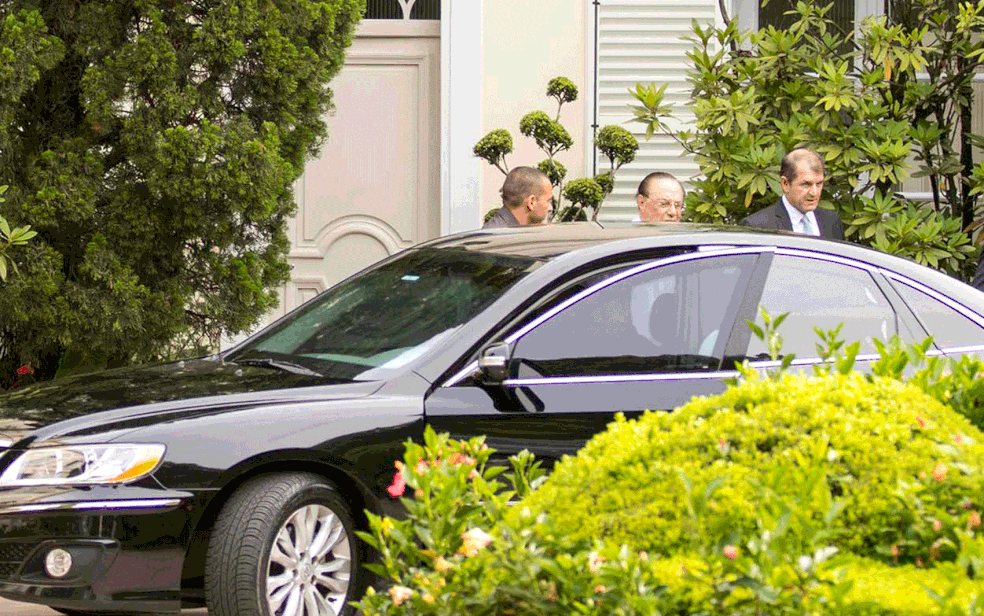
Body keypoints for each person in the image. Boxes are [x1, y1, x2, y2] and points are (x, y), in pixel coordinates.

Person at [739, 148, 844, 240]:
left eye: (819, 184)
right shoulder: (758, 226)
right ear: (785, 184)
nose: (814, 192)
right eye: (806, 184)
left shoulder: (831, 222)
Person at [483, 166, 553, 228]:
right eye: (548, 201)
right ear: (531, 202)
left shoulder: (507, 230)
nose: (550, 208)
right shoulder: (501, 237)